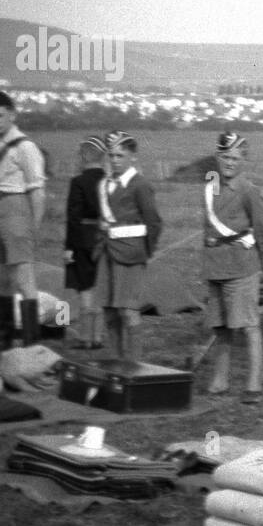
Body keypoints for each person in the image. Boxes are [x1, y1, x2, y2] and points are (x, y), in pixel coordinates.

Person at [202, 131, 263, 405]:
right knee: (220, 327)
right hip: (216, 266)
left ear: (243, 160)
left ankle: (253, 385)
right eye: (225, 157)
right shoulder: (210, 188)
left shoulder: (248, 191)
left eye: (235, 158)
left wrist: (258, 264)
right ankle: (220, 381)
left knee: (249, 325)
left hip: (242, 267)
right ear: (218, 158)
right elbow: (207, 230)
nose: (229, 163)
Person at [0, 91, 47, 350]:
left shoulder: (25, 147)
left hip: (16, 209)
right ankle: (3, 340)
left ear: (13, 115)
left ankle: (32, 346)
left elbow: (38, 190)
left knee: (24, 279)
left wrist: (34, 227)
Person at [94, 131, 162, 361]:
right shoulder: (104, 184)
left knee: (129, 311)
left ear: (133, 156)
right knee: (109, 310)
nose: (114, 160)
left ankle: (133, 365)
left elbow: (153, 222)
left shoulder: (140, 185)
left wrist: (146, 252)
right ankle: (114, 361)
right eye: (111, 155)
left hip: (131, 254)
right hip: (106, 253)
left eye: (120, 155)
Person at [64, 136, 108, 349]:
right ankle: (98, 337)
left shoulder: (78, 182)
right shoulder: (110, 181)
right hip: (104, 238)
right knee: (99, 287)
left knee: (85, 288)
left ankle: (85, 337)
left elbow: (73, 217)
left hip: (82, 238)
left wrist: (68, 247)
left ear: (84, 156)